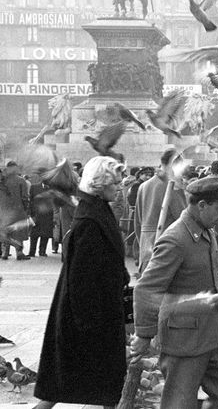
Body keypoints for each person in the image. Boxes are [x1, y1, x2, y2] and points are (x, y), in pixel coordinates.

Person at [131, 176, 218, 409]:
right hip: (184, 338)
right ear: (201, 205)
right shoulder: (176, 239)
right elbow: (147, 287)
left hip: (211, 331)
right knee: (179, 402)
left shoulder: (205, 230)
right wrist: (144, 333)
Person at [33, 156, 129, 409]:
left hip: (96, 309)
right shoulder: (90, 220)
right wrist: (89, 321)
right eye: (115, 184)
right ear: (99, 184)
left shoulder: (96, 210)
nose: (119, 188)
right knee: (87, 381)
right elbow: (82, 277)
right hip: (90, 314)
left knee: (80, 383)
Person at [134, 149, 187, 274]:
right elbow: (184, 218)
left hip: (146, 246)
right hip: (167, 249)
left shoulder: (144, 186)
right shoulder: (172, 186)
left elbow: (137, 222)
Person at [0, 161, 30, 260]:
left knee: (5, 231)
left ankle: (5, 252)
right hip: (18, 210)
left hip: (3, 210)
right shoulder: (21, 181)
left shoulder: (2, 180)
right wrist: (26, 208)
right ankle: (19, 252)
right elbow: (25, 197)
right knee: (18, 231)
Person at [28, 177, 54, 258]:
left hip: (47, 215)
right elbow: (30, 201)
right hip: (35, 214)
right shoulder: (34, 187)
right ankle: (32, 251)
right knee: (33, 234)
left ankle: (42, 251)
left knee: (45, 234)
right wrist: (29, 214)